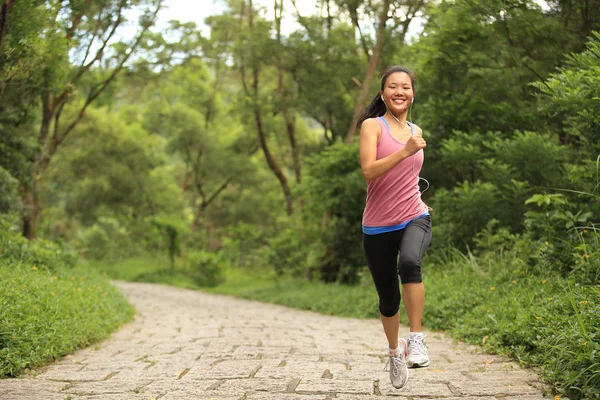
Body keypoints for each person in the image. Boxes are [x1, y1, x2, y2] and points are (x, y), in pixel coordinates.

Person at [357, 66, 432, 389]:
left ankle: (416, 338)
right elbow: (369, 172)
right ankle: (395, 351)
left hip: (414, 215)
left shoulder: (415, 129)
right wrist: (405, 151)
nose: (400, 91)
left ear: (412, 93)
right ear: (383, 93)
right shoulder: (372, 126)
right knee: (388, 300)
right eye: (393, 87)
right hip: (377, 225)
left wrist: (422, 203)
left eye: (406, 87)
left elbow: (409, 178)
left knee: (411, 264)